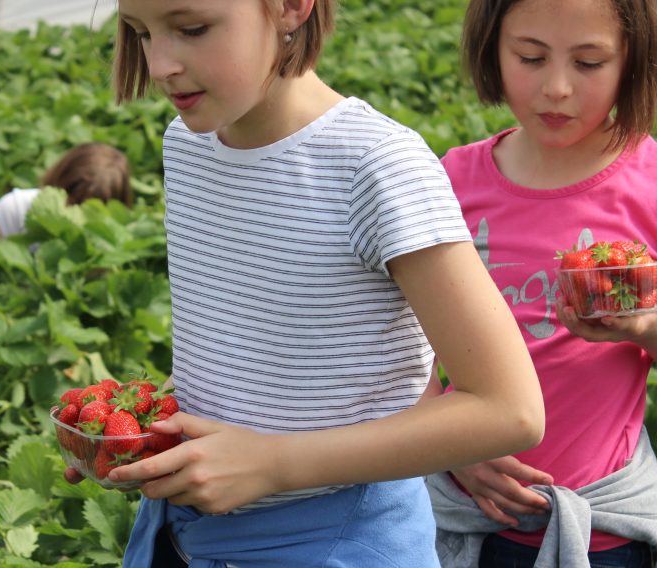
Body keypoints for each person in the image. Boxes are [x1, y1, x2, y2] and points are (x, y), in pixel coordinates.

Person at [82, 1, 547, 565]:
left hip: (338, 538)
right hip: (184, 532)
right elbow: (240, 345)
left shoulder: (375, 166)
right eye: (139, 33)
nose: (159, 64)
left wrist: (274, 464)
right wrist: (137, 434)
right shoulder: (187, 144)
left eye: (191, 29)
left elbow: (509, 409)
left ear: (289, 7)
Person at [425, 0, 657, 566]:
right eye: (530, 57)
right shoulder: (449, 182)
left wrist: (655, 332)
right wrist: (453, 452)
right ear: (492, 51)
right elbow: (405, 366)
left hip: (605, 530)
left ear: (633, 62)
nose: (556, 88)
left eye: (589, 63)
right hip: (465, 521)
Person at [0, 141, 133, 238]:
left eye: (89, 211)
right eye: (71, 202)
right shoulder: (16, 208)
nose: (75, 214)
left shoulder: (106, 242)